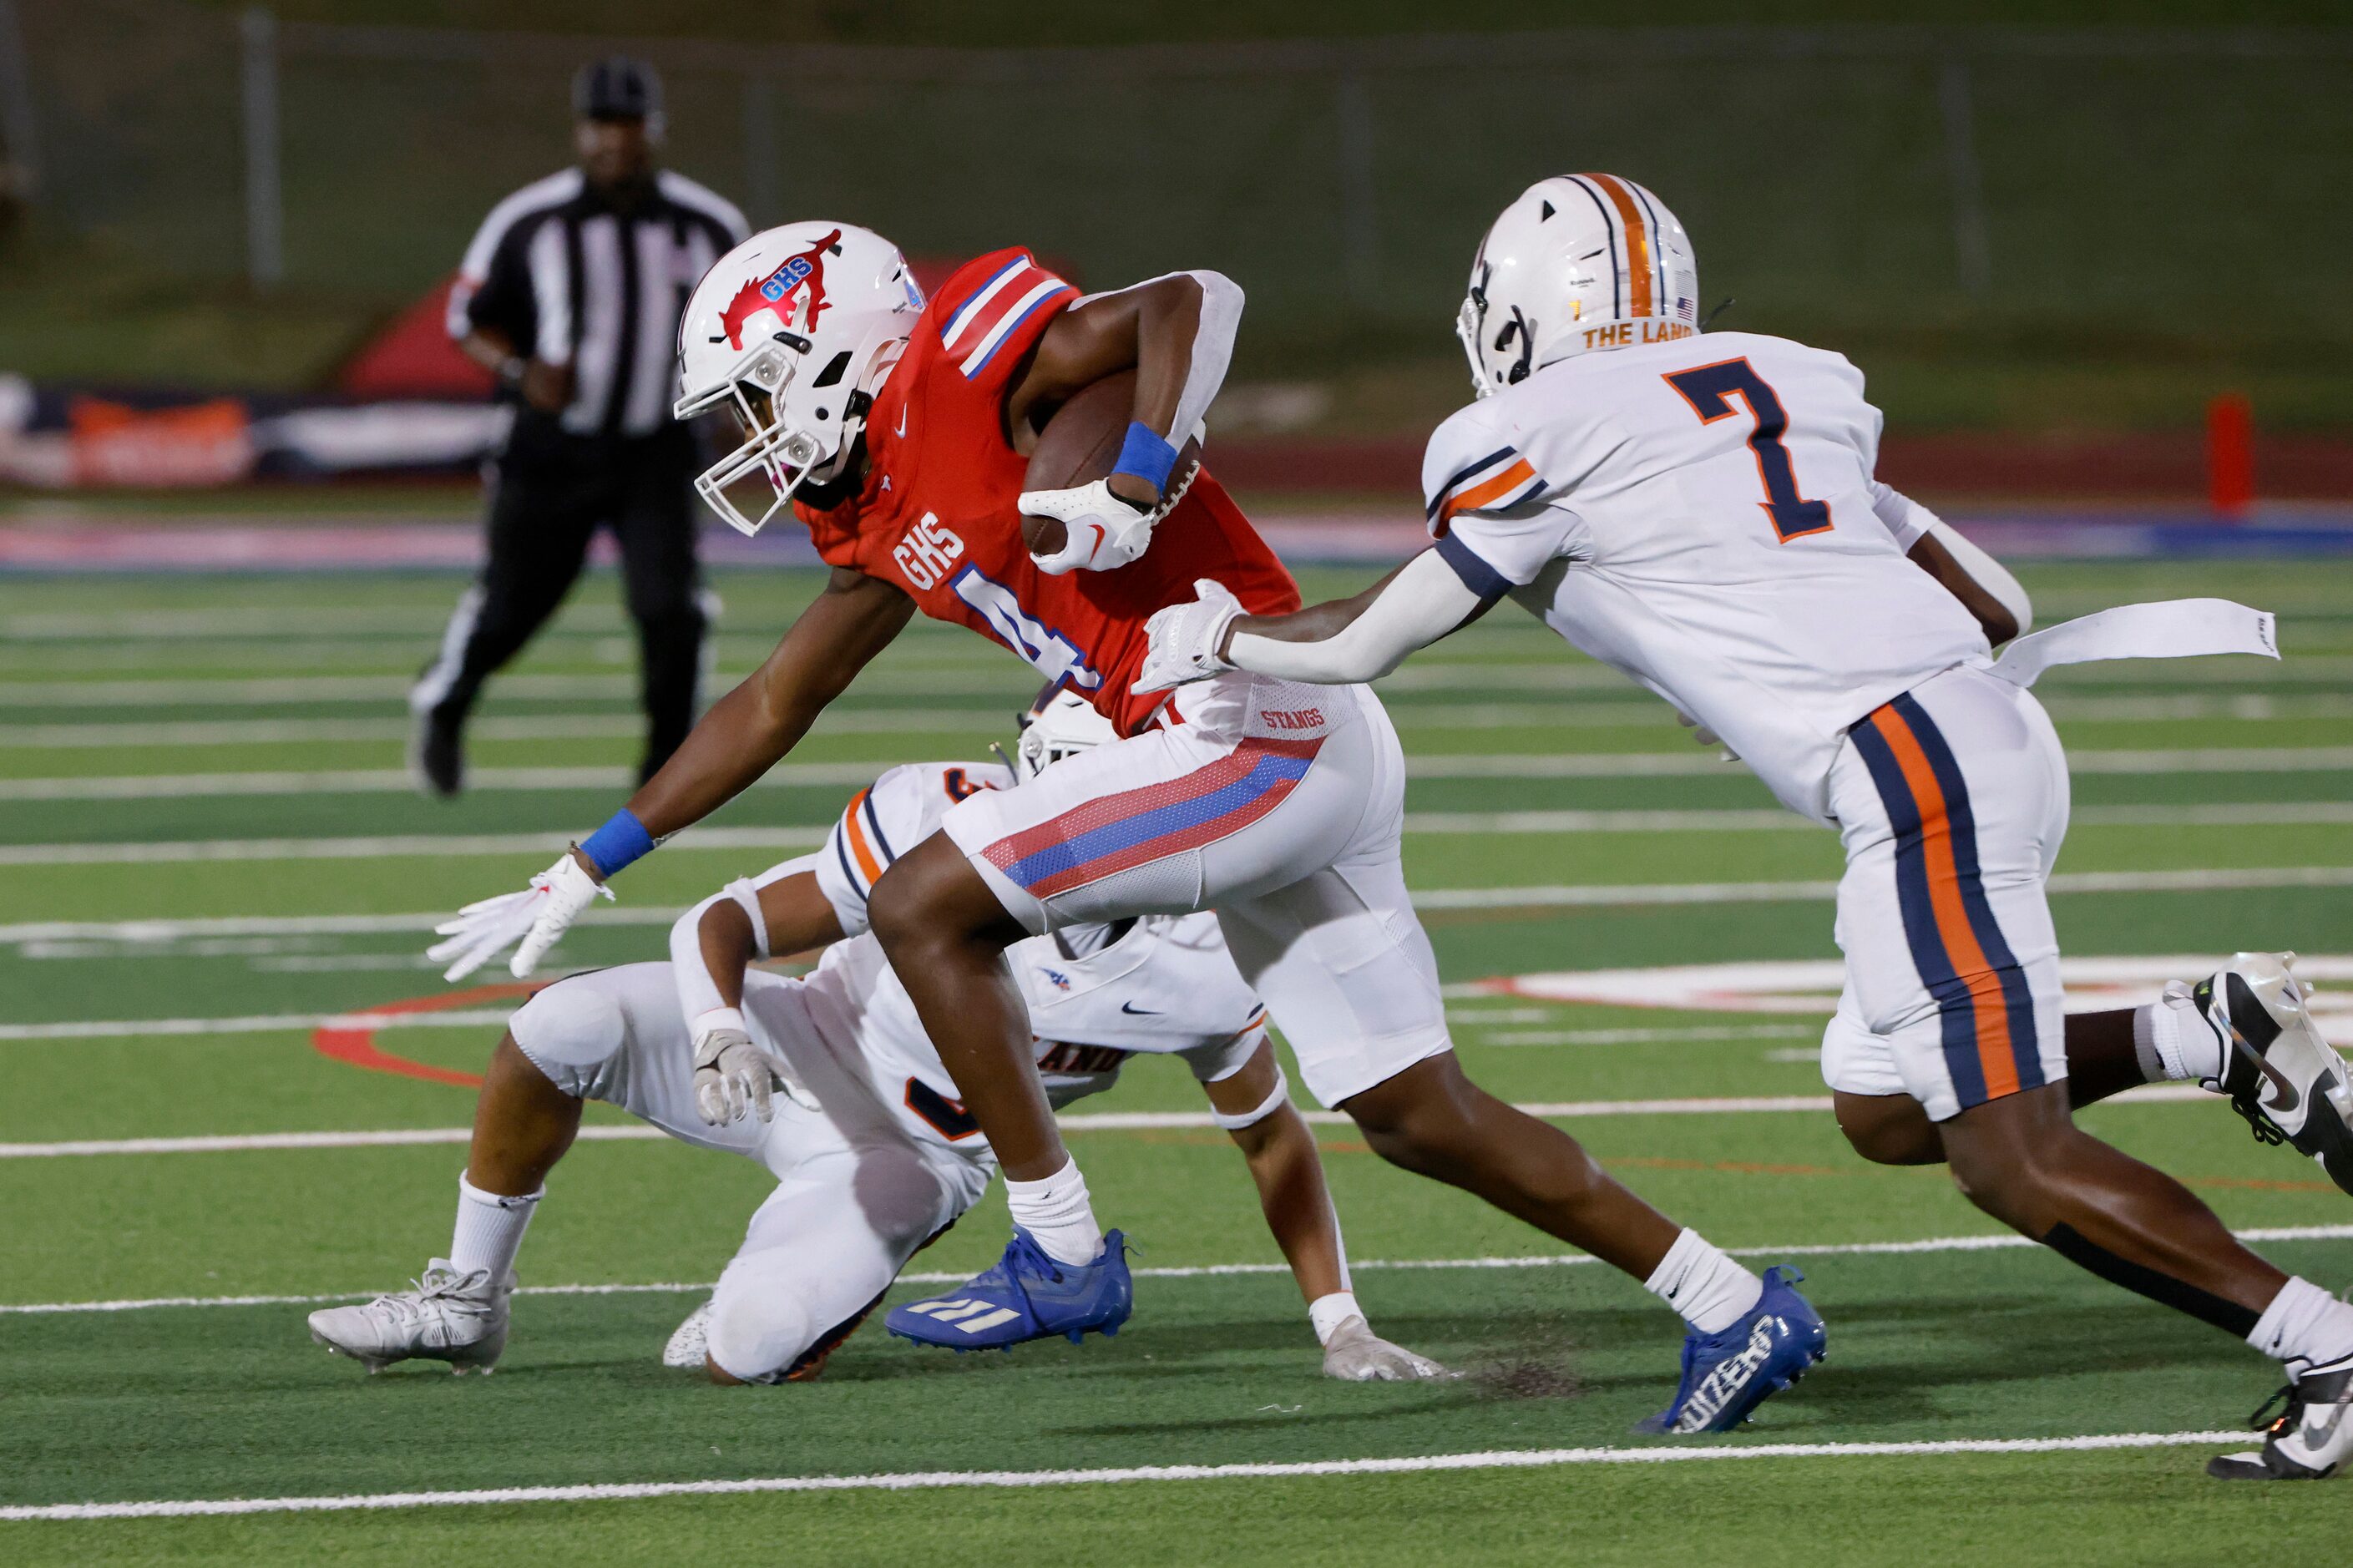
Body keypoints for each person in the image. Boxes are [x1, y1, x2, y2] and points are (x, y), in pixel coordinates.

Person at [427, 220, 1823, 1435]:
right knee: (1413, 1113)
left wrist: (1143, 460)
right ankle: (1733, 1299)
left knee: (926, 901)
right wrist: (588, 857)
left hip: (1243, 717)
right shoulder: (881, 510)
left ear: (831, 351)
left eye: (754, 400)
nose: (745, 444)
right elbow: (774, 699)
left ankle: (1060, 1245)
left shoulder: (964, 365)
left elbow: (1192, 299)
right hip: (1285, 738)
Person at [1135, 172, 2353, 1481]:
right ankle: (2202, 1030)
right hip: (1983, 734)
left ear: (1513, 314)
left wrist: (1212, 633)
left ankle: (2325, 1348)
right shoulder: (1788, 379)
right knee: (1883, 1104)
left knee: (2009, 1157)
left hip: (1909, 772)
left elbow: (1367, 638)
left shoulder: (1535, 430)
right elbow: (1995, 600)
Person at [314, 697, 1449, 1384]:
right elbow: (721, 921)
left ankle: (804, 1289)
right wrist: (718, 1029)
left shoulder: (1203, 954)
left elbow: (1268, 1135)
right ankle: (467, 1298)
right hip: (798, 1034)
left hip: (909, 1157)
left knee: (741, 1347)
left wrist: (1337, 1320)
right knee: (556, 1022)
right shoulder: (941, 820)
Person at [411, 57, 748, 796]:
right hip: (550, 448)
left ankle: (666, 768)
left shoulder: (709, 224)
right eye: (601, 125)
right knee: (510, 607)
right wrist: (521, 371)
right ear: (580, 131)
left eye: (628, 125)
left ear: (652, 131)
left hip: (655, 449)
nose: (614, 142)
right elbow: (467, 318)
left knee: (672, 609)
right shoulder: (531, 220)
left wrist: (733, 407)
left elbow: (750, 328)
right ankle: (445, 701)